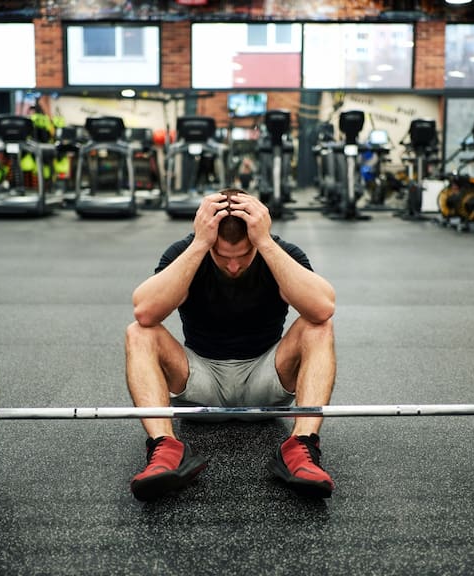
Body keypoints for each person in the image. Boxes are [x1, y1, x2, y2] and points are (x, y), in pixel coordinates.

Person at [125, 188, 336, 502]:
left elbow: (322, 308)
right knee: (139, 332)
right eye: (223, 256)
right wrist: (200, 244)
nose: (234, 266)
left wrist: (264, 243)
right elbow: (145, 311)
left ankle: (301, 446)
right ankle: (165, 448)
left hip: (265, 383)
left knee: (318, 327)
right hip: (200, 385)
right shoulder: (188, 251)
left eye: (243, 256)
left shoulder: (276, 250)